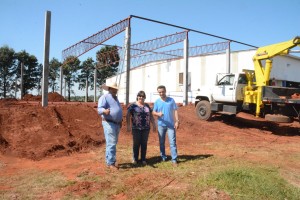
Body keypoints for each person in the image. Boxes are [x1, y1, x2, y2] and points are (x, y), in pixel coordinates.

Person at [126, 91, 156, 165]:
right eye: (140, 96)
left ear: (144, 97)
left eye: (142, 96)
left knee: (144, 143)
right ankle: (135, 159)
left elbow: (151, 115)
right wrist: (128, 125)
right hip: (136, 128)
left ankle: (143, 159)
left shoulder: (147, 106)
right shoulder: (133, 106)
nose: (141, 97)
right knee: (136, 143)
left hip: (146, 128)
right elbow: (128, 115)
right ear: (137, 96)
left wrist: (154, 124)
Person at [98, 82, 123, 170]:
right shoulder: (104, 97)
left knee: (113, 143)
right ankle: (110, 163)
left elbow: (117, 110)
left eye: (116, 89)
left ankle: (110, 159)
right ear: (109, 89)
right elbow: (99, 109)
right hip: (109, 123)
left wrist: (120, 120)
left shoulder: (116, 98)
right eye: (113, 88)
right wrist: (104, 111)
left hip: (116, 123)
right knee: (111, 143)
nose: (115, 90)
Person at [152, 85, 179, 167]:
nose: (161, 93)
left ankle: (174, 160)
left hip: (170, 125)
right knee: (161, 142)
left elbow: (175, 111)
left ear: (165, 91)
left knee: (172, 142)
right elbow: (153, 112)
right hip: (161, 125)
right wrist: (158, 114)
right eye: (159, 92)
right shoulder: (157, 102)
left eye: (162, 92)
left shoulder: (171, 100)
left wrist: (177, 121)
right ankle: (163, 156)